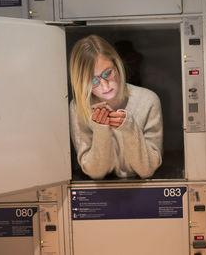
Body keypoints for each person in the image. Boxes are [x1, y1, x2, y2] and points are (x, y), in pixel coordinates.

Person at [69, 34, 163, 179]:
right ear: (81, 82)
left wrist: (129, 127)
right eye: (93, 80)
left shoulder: (148, 100)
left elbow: (147, 170)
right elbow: (95, 173)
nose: (105, 86)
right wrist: (100, 129)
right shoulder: (79, 107)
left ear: (117, 65)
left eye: (108, 73)